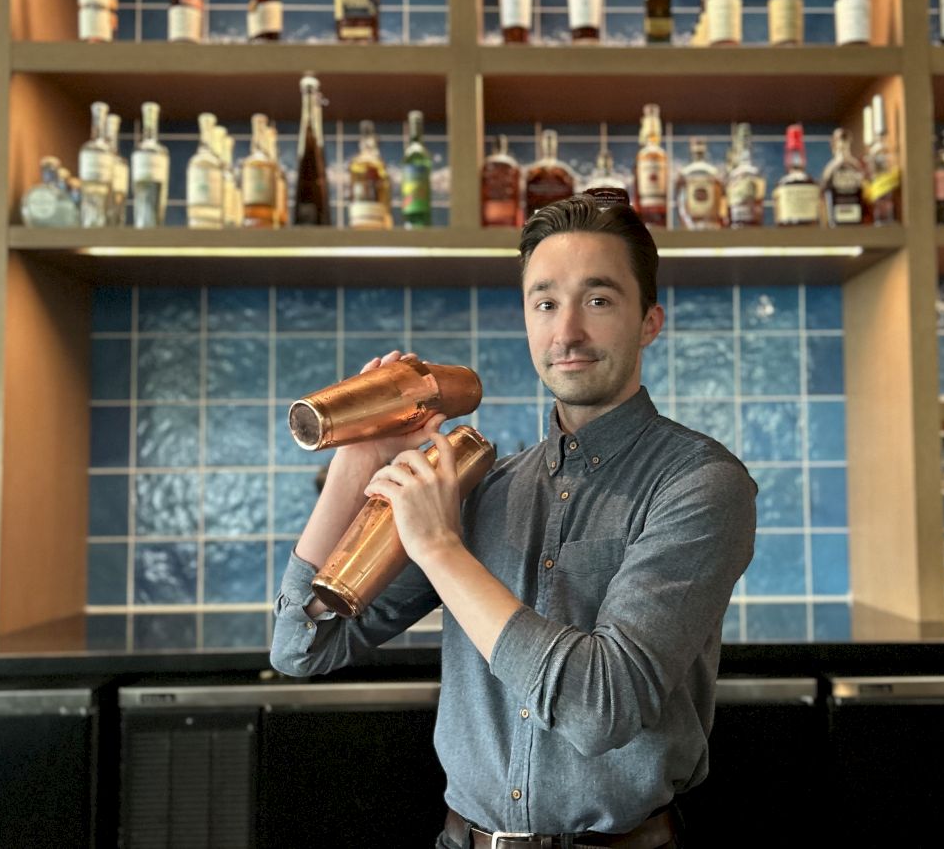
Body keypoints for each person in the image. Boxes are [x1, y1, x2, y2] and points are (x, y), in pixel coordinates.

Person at [271, 194, 757, 848]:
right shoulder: (482, 490)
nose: (567, 333)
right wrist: (360, 458)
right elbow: (304, 646)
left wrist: (441, 546)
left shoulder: (700, 484)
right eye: (545, 302)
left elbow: (602, 706)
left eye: (600, 299)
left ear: (649, 322)